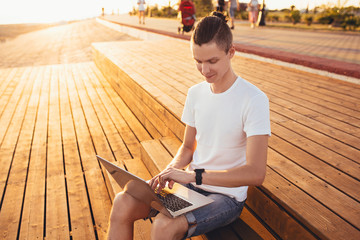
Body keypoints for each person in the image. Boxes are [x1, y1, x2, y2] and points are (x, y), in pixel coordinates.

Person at [106, 11, 271, 240]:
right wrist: (169, 171)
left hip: (225, 198)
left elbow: (255, 173)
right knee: (122, 201)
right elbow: (187, 148)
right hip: (190, 190)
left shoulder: (253, 99)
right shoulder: (195, 93)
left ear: (231, 52)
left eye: (212, 61)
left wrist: (194, 177)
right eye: (198, 61)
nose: (205, 70)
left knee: (163, 225)